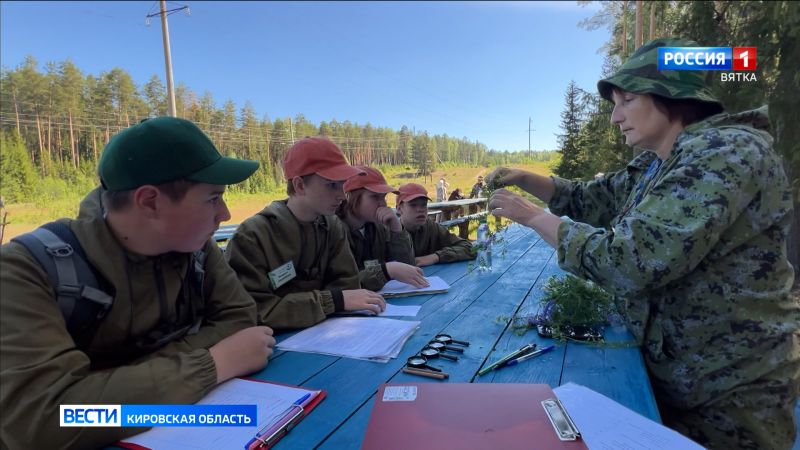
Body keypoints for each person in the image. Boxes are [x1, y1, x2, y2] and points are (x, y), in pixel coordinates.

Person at [486, 38, 798, 449]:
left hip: (728, 392)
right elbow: (591, 199)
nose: (615, 117)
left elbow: (633, 260)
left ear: (672, 97)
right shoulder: (661, 162)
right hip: (683, 374)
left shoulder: (725, 152)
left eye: (627, 100)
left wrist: (533, 217)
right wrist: (526, 178)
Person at [0, 117, 275, 449]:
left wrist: (111, 383)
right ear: (149, 202)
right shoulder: (25, 270)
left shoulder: (194, 245)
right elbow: (41, 419)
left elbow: (242, 321)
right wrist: (212, 365)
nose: (226, 214)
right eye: (212, 198)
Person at [225, 137, 386, 330]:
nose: (342, 196)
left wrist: (317, 303)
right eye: (332, 185)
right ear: (300, 185)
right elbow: (254, 310)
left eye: (342, 185)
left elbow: (347, 286)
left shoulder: (333, 227)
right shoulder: (253, 236)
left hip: (329, 333)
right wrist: (330, 301)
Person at [335, 166, 428, 291]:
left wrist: (397, 229)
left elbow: (408, 269)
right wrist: (386, 271)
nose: (382, 204)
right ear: (350, 197)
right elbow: (342, 284)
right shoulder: (334, 230)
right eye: (375, 197)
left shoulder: (380, 227)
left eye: (383, 197)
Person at [396, 183, 476, 267]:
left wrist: (436, 257)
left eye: (424, 205)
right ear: (399, 209)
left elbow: (469, 248)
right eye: (413, 205)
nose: (420, 210)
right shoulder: (387, 232)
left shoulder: (431, 227)